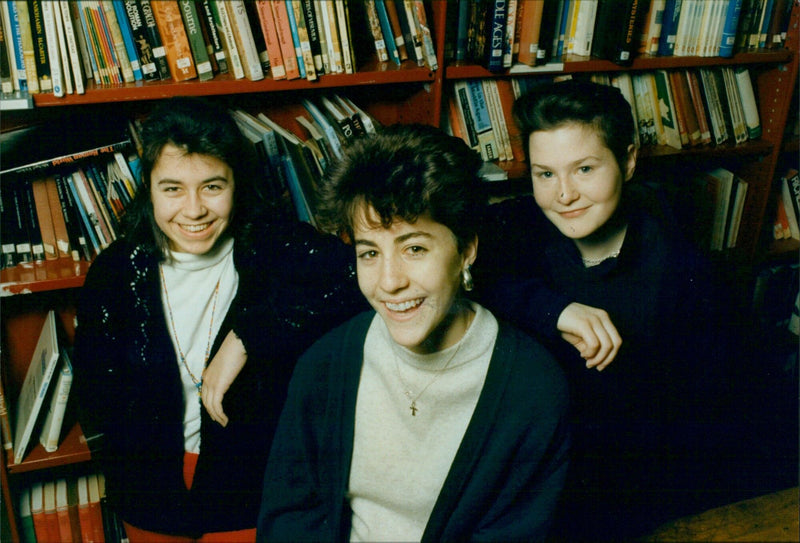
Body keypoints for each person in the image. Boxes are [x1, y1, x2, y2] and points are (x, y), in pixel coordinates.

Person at [71, 96, 366, 542]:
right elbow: (95, 398)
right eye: (172, 189)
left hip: (251, 489)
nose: (193, 211)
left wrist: (248, 336)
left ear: (236, 183)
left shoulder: (275, 245)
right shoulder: (114, 273)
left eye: (212, 186)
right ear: (147, 187)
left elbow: (360, 276)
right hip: (149, 497)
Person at [257, 124, 571, 542]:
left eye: (414, 248)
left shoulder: (533, 388)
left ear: (466, 250)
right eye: (370, 252)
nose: (389, 282)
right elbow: (288, 519)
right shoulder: (325, 365)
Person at [473, 80, 746, 539]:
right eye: (545, 174)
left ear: (629, 160)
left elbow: (698, 438)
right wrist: (554, 309)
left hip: (623, 495)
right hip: (527, 469)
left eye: (584, 169)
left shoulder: (684, 278)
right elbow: (455, 272)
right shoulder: (520, 225)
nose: (563, 195)